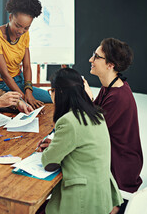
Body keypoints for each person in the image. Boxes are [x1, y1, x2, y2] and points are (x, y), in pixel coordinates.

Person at [36, 68, 122, 214]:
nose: (51, 95)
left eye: (52, 90)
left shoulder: (68, 121)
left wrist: (51, 150)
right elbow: (83, 144)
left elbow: (48, 161)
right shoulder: (96, 113)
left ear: (60, 92)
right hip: (101, 196)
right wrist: (57, 144)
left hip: (82, 202)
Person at [84, 38, 143, 214]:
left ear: (110, 65)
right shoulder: (109, 86)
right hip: (117, 159)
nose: (90, 60)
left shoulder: (118, 97)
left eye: (96, 57)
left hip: (119, 169)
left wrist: (86, 98)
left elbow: (93, 132)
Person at [0, 0, 52, 109]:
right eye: (18, 26)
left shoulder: (25, 34)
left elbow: (27, 66)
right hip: (3, 85)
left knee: (51, 98)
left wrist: (29, 91)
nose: (21, 31)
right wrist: (24, 97)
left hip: (21, 81)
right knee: (25, 108)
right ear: (10, 17)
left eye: (26, 27)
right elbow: (5, 75)